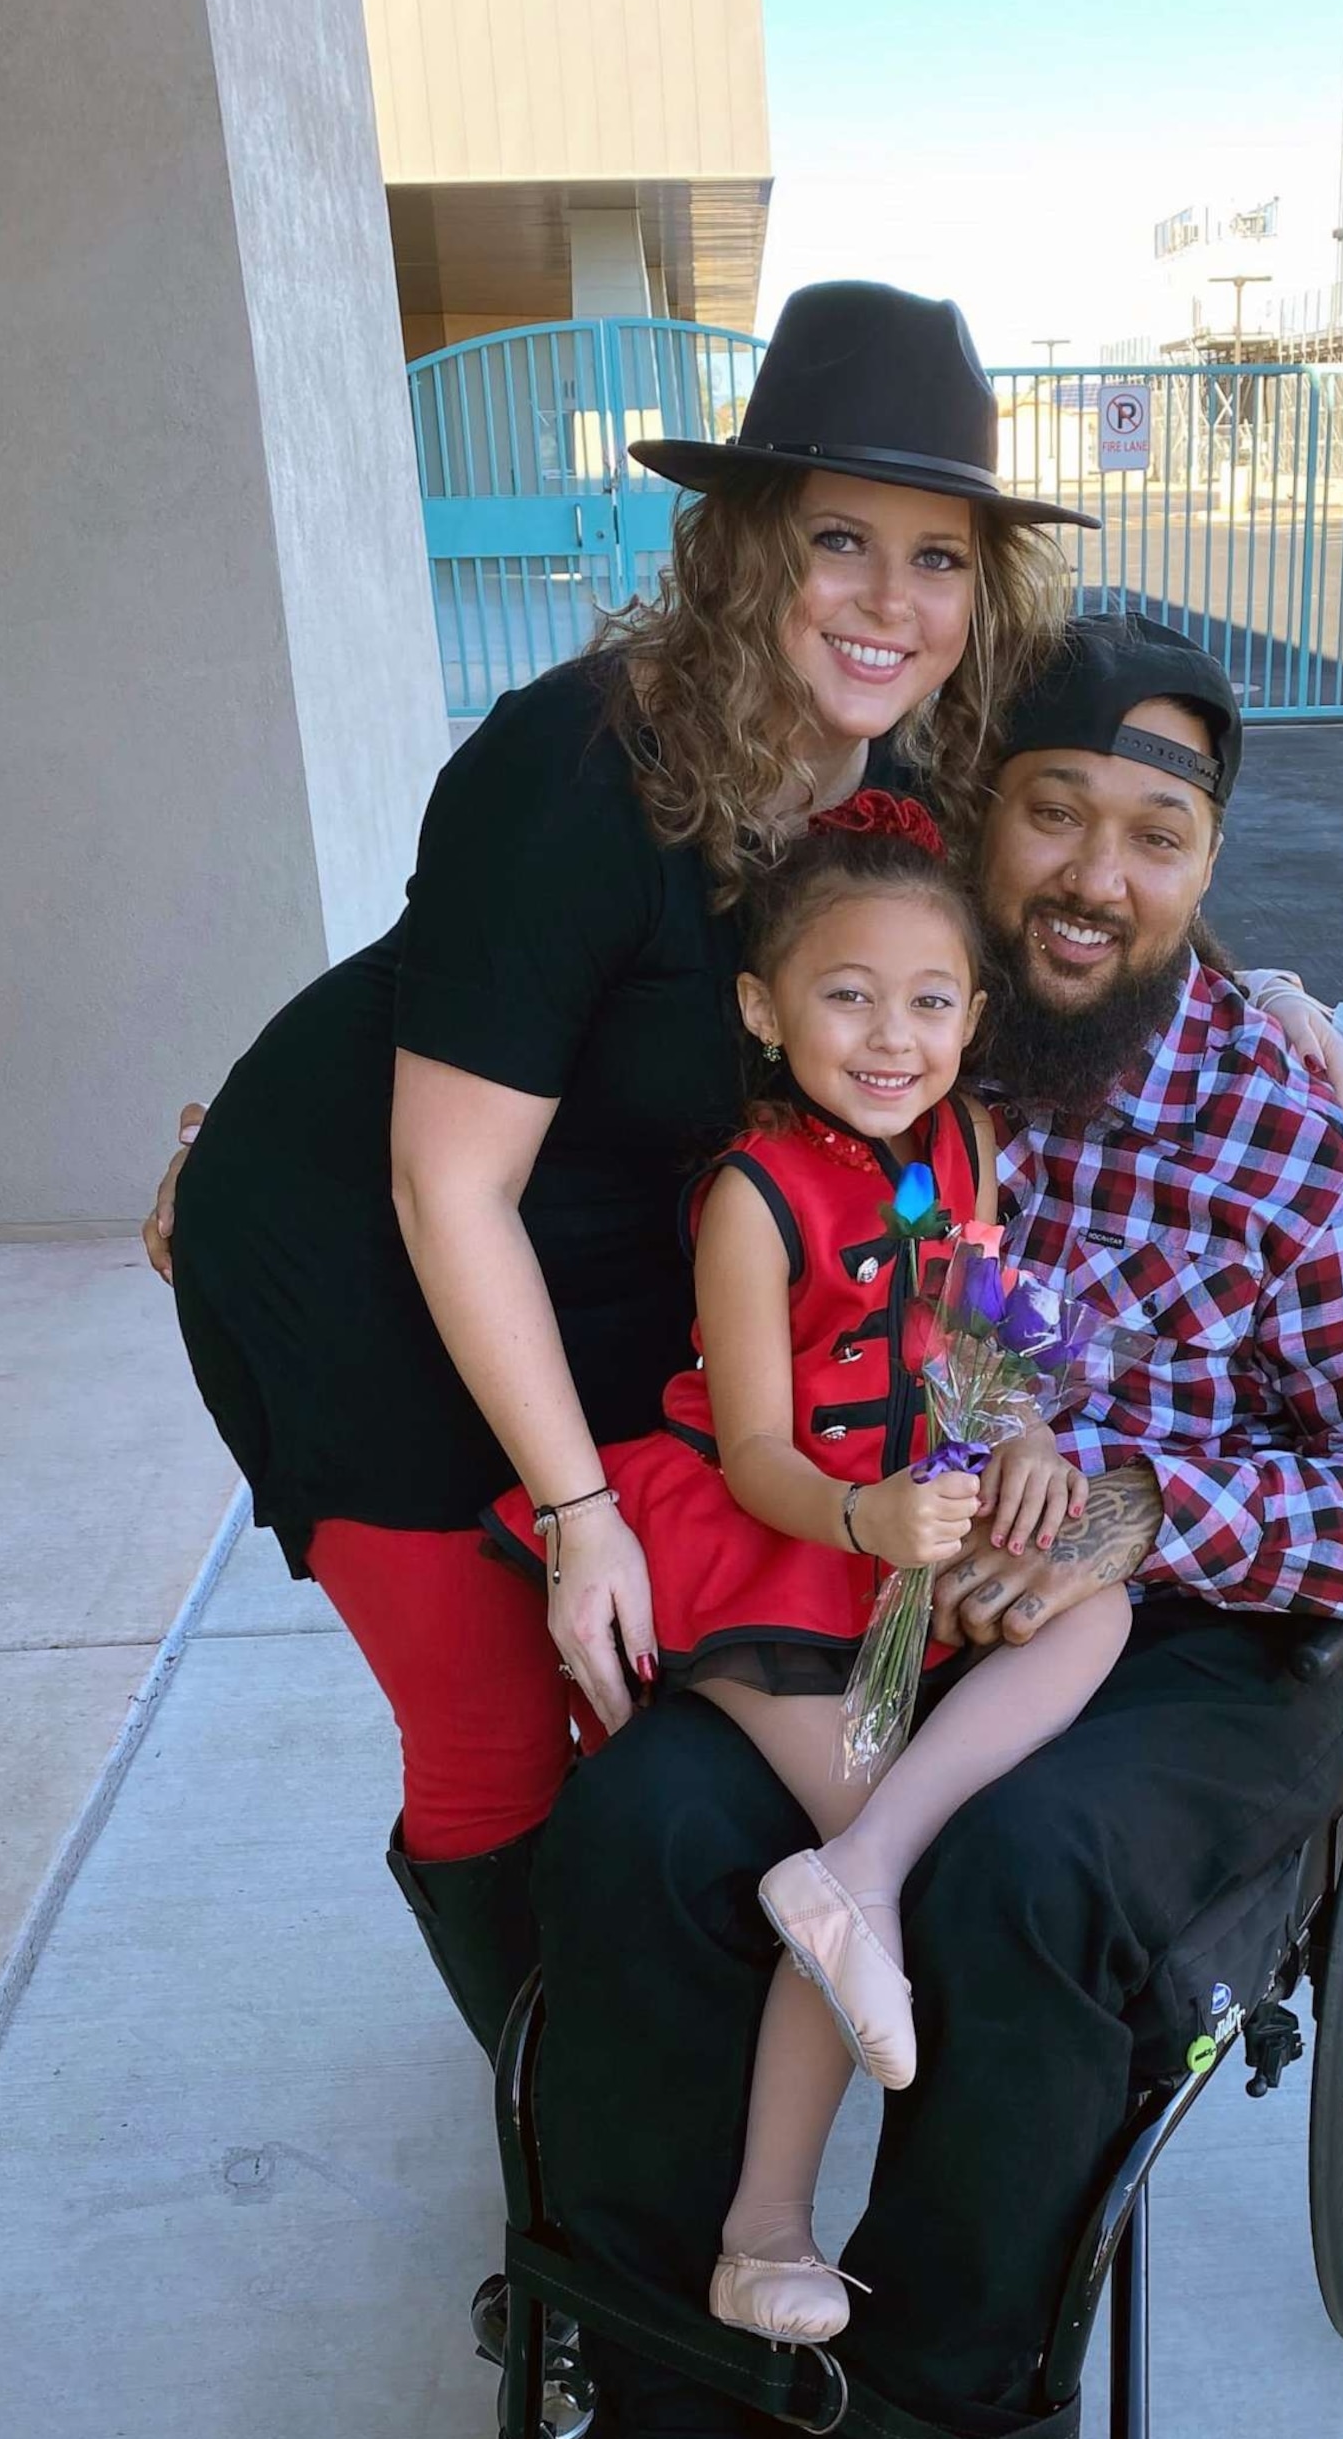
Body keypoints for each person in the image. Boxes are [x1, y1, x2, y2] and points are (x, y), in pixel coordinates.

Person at [485, 613, 1343, 2439]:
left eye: (1155, 838)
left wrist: (1166, 1508)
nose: (1093, 874)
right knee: (655, 1829)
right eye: (1054, 811)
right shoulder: (884, 1051)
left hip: (1174, 1642)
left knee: (1027, 1889)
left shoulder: (1275, 1119)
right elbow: (489, 1129)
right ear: (977, 830)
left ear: (1202, 873)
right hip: (880, 1595)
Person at [147, 282, 1086, 2059]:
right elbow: (446, 1183)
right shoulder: (578, 758)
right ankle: (555, 2136)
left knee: (649, 1690)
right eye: (841, 540)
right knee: (506, 1708)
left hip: (604, 1254)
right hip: (366, 1247)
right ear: (743, 547)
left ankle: (646, 2051)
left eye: (942, 556)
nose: (896, 600)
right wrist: (579, 1519)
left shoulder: (903, 763)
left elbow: (1087, 891)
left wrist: (1263, 983)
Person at [494, 796, 1129, 2349]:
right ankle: (763, 2225)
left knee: (1097, 1591)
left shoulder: (969, 1143)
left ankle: (859, 1873)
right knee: (865, 1815)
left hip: (917, 1512)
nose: (891, 1036)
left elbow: (980, 1331)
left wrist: (1031, 1431)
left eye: (929, 1001)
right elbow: (759, 1452)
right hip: (778, 1544)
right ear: (765, 1009)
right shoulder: (753, 1195)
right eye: (847, 996)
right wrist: (862, 1526)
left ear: (975, 1016)